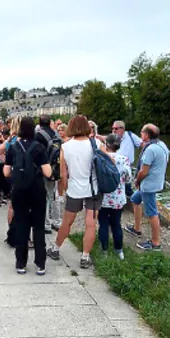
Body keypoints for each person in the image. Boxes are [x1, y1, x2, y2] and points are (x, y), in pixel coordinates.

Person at [47, 115, 101, 269]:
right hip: (94, 188)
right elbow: (107, 163)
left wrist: (65, 190)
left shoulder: (66, 146)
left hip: (75, 188)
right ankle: (85, 256)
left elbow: (64, 173)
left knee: (67, 221)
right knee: (90, 224)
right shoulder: (96, 143)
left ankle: (56, 248)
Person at [4, 116, 52, 274]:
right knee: (38, 227)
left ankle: (20, 263)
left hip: (19, 191)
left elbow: (6, 172)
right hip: (37, 190)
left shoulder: (13, 147)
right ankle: (40, 264)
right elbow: (47, 172)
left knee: (22, 226)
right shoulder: (39, 147)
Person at [125, 124, 169, 252]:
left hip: (148, 185)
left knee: (152, 213)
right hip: (156, 182)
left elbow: (143, 171)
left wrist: (137, 181)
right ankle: (137, 228)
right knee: (135, 199)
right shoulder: (162, 145)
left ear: (146, 135)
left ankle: (155, 243)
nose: (140, 134)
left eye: (142, 132)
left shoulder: (150, 149)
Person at [98, 133, 132, 259]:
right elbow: (128, 179)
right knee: (116, 224)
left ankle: (104, 250)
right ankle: (119, 251)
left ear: (106, 144)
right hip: (118, 198)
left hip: (102, 197)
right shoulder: (124, 159)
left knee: (103, 224)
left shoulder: (100, 157)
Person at [35, 115, 62, 233]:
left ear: (39, 123)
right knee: (54, 196)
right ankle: (57, 221)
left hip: (44, 167)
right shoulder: (56, 134)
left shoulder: (39, 135)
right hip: (56, 167)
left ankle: (46, 223)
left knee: (44, 196)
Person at [112, 120, 142, 200]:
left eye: (115, 129)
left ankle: (135, 201)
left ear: (122, 129)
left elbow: (142, 144)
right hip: (114, 165)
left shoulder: (130, 135)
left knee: (127, 186)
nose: (113, 131)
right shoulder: (113, 138)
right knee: (117, 186)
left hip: (127, 166)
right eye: (113, 129)